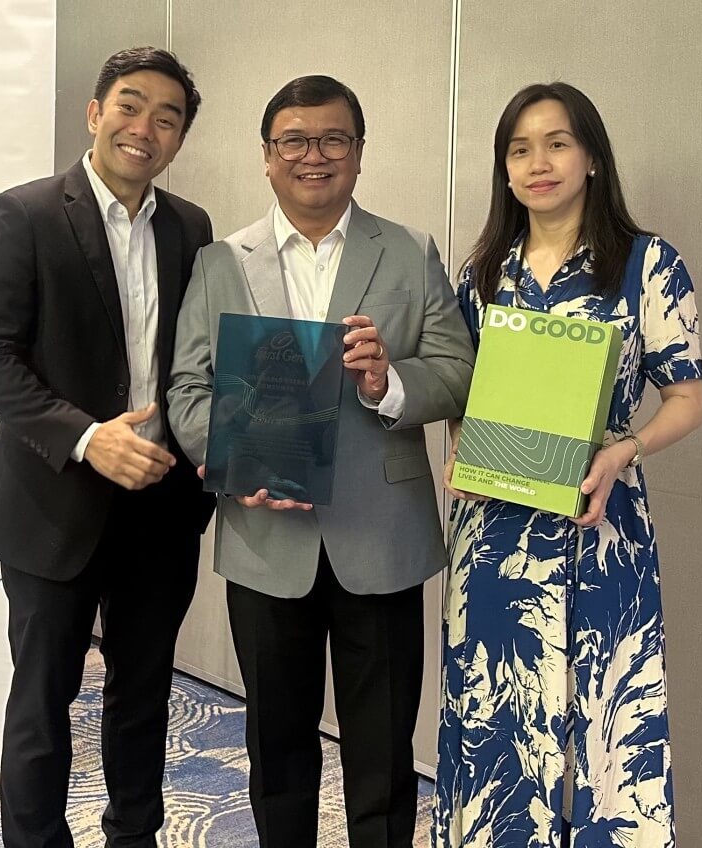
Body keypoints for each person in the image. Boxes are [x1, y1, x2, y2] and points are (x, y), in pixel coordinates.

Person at [167, 75, 474, 848]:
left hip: (381, 535)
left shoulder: (408, 251)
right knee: (277, 744)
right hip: (267, 538)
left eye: (334, 139)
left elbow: (458, 367)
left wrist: (389, 379)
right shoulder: (220, 261)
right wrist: (237, 464)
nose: (315, 155)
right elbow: (188, 391)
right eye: (294, 141)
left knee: (383, 748)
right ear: (267, 158)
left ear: (359, 154)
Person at [433, 82, 702, 848]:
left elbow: (687, 397)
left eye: (556, 143)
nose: (538, 163)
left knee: (604, 727)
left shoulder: (648, 265)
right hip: (494, 536)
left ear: (590, 156)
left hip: (602, 527)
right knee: (497, 713)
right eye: (519, 149)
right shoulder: (483, 273)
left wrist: (628, 448)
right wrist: (461, 445)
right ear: (505, 169)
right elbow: (465, 393)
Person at [0, 46, 217, 848]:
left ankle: (132, 838)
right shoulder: (25, 213)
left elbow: (194, 359)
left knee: (143, 700)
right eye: (131, 106)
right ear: (94, 113)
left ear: (178, 140)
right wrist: (84, 439)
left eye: (167, 117)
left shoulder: (189, 227)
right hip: (50, 504)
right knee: (41, 703)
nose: (146, 128)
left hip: (160, 504)